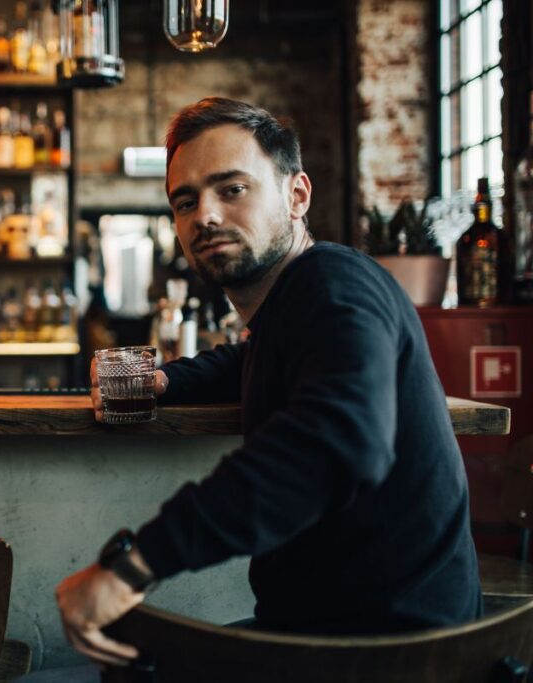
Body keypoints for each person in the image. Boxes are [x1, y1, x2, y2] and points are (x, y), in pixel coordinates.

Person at [54, 97, 482, 668]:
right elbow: (247, 359)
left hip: (382, 658)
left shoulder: (334, 282)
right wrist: (162, 381)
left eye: (231, 189)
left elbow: (338, 442)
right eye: (186, 201)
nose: (204, 215)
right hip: (332, 642)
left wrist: (134, 566)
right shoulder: (292, 308)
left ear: (296, 195)